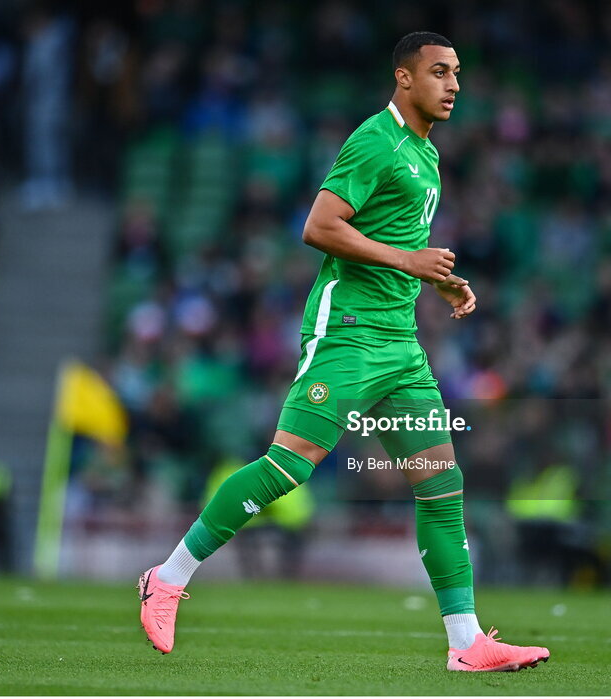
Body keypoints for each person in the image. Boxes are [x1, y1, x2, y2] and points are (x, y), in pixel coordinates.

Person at [138, 31, 550, 672]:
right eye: (439, 72)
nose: (454, 85)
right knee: (290, 466)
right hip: (349, 332)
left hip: (401, 343)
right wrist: (410, 260)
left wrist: (436, 278)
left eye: (458, 73)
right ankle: (166, 579)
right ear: (404, 78)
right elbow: (319, 226)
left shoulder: (426, 155)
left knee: (442, 485)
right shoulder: (374, 140)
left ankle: (466, 642)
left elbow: (393, 237)